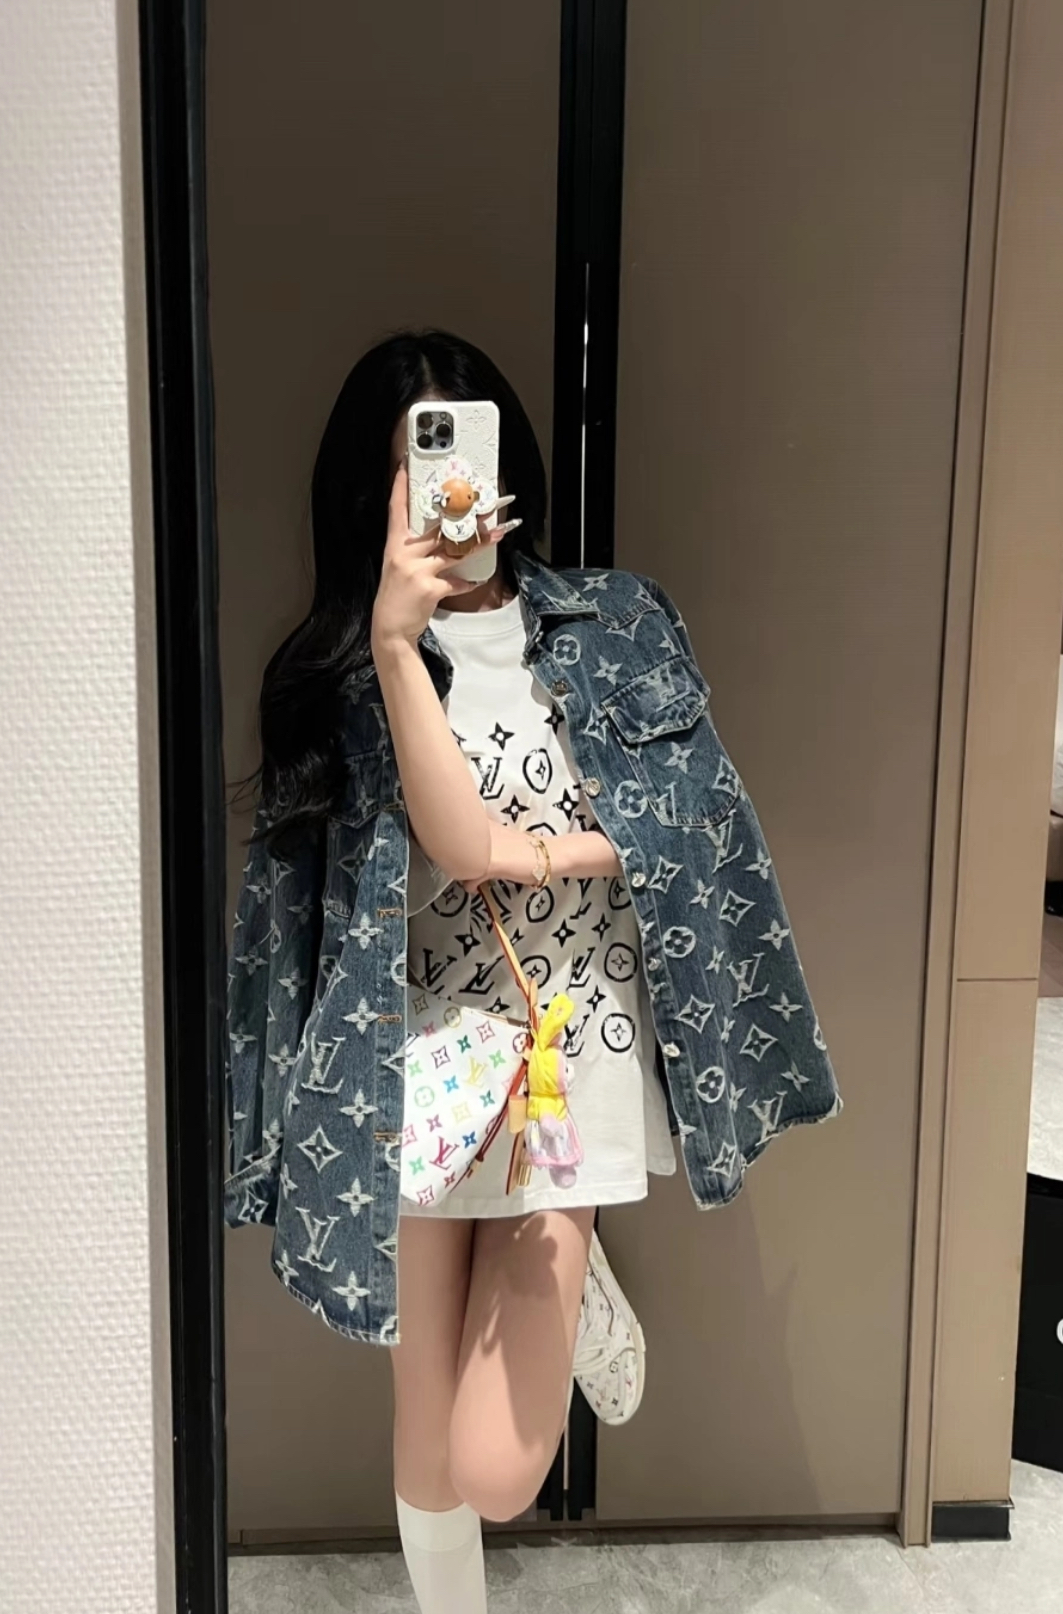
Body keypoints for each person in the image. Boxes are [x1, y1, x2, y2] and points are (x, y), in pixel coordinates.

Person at [224, 330, 841, 1614]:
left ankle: (579, 1272)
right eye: (414, 475)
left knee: (497, 1470)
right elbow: (430, 859)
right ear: (371, 496)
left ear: (506, 466)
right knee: (424, 1439)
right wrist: (395, 648)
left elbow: (698, 826)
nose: (450, 500)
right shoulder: (342, 672)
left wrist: (545, 852)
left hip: (573, 1062)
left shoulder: (619, 622)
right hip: (423, 1069)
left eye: (464, 459)